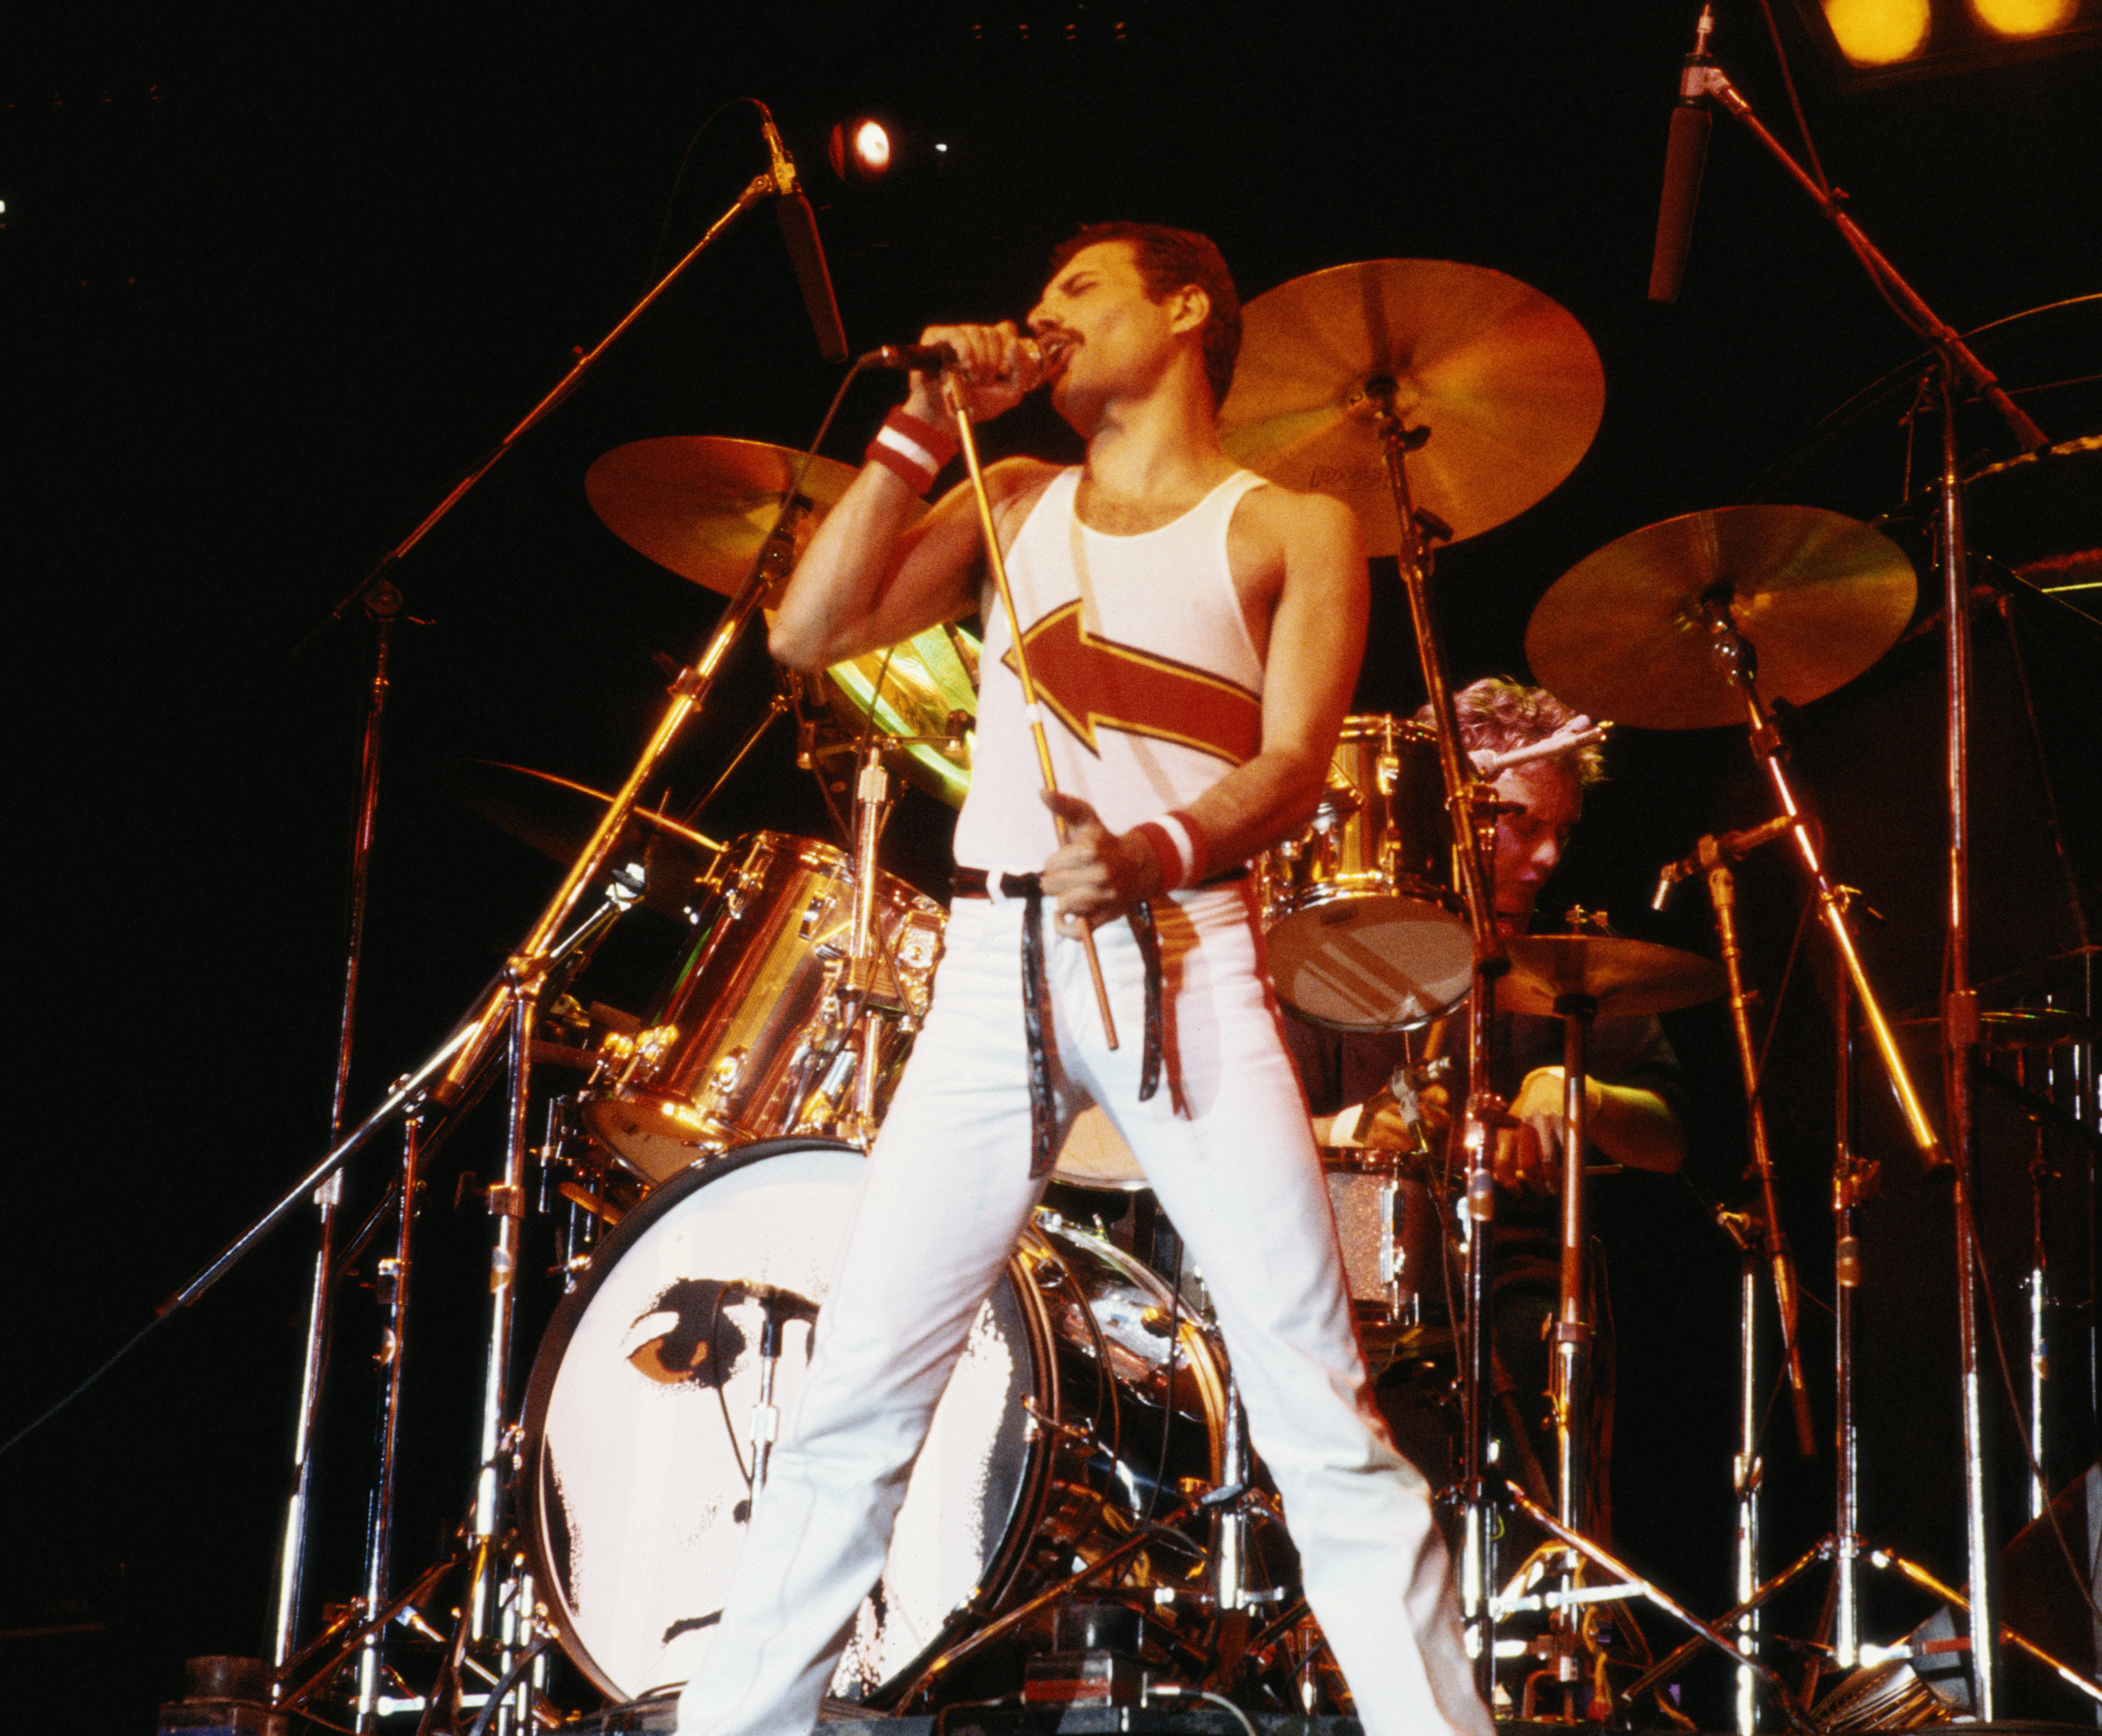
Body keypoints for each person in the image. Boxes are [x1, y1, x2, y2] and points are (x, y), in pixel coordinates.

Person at [670, 223, 1494, 1736]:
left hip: (1182, 957)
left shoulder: (1291, 524)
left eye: (1077, 289)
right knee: (858, 1390)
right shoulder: (1017, 499)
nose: (1038, 316)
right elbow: (806, 627)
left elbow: (1295, 766)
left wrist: (1150, 847)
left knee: (1315, 1401)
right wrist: (923, 428)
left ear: (1186, 311)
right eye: (1036, 296)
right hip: (994, 968)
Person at [1287, 677, 1687, 1539]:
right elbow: (1215, 1133)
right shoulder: (1329, 954)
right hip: (1336, 1289)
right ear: (1449, 807)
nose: (1546, 858)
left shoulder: (1568, 963)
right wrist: (1350, 1133)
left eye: (1561, 832)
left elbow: (1668, 1137)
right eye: (1520, 823)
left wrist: (1578, 1089)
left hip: (1509, 1314)